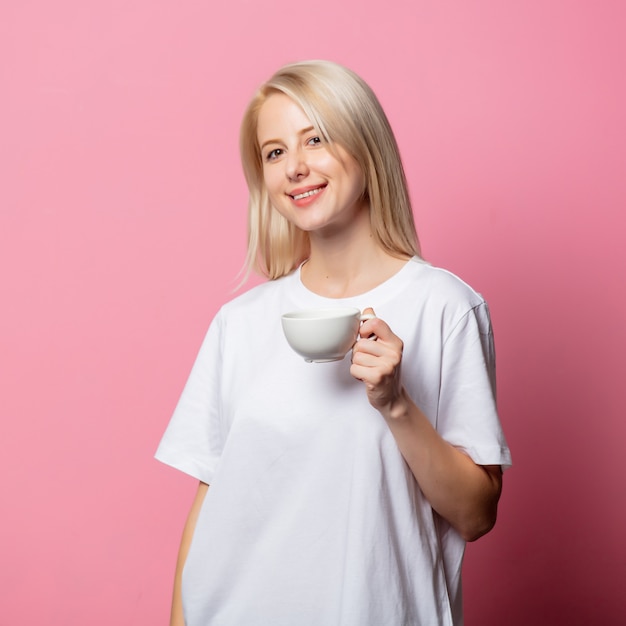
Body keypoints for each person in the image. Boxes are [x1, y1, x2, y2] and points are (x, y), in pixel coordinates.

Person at [156, 60, 512, 626]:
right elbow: (211, 503)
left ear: (365, 145)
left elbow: (476, 515)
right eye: (274, 153)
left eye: (315, 139)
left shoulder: (445, 307)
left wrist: (396, 403)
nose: (295, 167)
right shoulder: (240, 323)